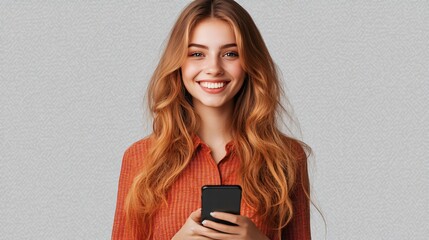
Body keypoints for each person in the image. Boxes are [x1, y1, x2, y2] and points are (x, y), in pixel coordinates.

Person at [112, 0, 311, 239]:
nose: (213, 67)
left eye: (230, 53)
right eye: (197, 54)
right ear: (179, 63)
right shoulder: (140, 158)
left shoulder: (286, 157)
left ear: (249, 62)